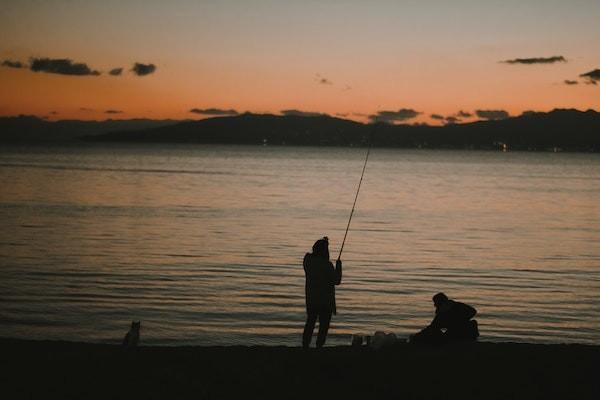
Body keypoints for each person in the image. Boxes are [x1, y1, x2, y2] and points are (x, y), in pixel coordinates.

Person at [302, 237, 342, 349]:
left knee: (310, 323)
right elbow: (336, 280)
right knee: (323, 326)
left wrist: (325, 242)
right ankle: (319, 346)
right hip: (325, 301)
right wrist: (338, 266)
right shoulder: (327, 265)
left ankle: (305, 345)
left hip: (312, 299)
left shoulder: (307, 261)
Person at [410, 292, 479, 345]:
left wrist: (418, 336)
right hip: (467, 334)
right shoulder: (457, 306)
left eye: (435, 303)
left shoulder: (443, 313)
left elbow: (433, 326)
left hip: (458, 335)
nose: (434, 305)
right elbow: (473, 311)